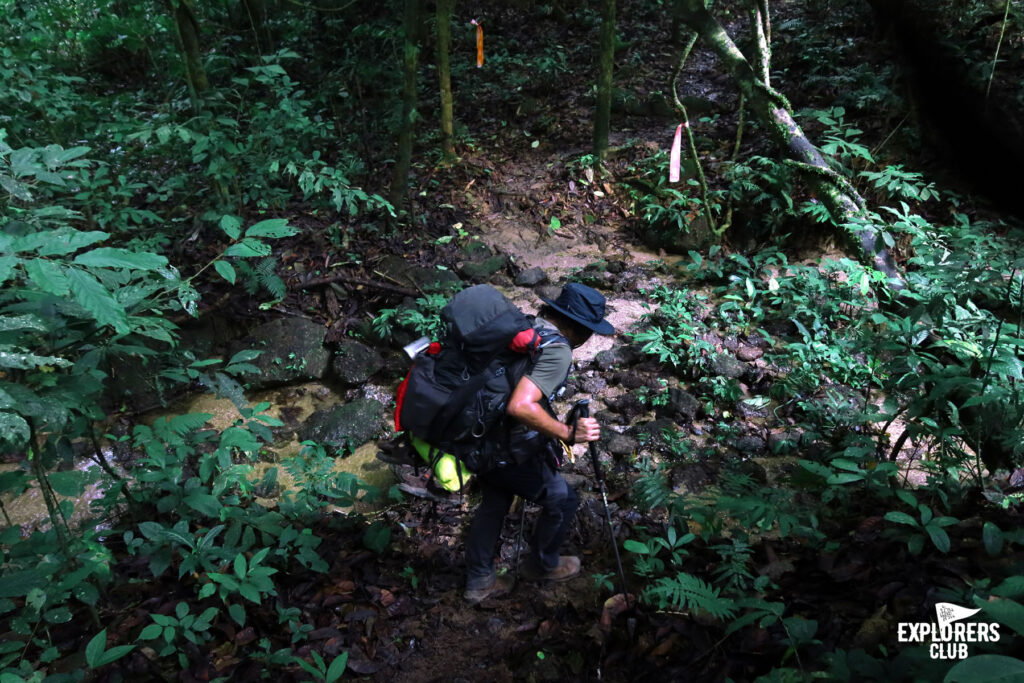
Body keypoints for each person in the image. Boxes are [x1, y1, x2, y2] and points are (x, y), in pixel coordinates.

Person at [464, 282, 615, 603]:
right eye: (589, 331)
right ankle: (542, 565)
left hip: (477, 434)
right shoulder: (556, 349)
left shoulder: (527, 328)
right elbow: (520, 406)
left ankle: (479, 581)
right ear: (578, 327)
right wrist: (566, 433)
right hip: (503, 445)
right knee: (562, 499)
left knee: (495, 501)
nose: (589, 338)